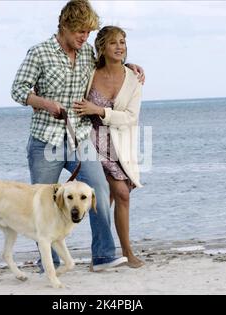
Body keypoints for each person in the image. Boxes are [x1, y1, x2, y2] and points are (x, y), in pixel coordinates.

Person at [11, 0, 144, 272]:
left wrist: (130, 65)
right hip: (45, 141)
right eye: (79, 31)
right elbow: (17, 90)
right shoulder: (39, 53)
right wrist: (46, 103)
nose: (84, 37)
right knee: (45, 204)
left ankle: (104, 256)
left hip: (78, 139)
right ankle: (49, 262)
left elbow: (107, 65)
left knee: (98, 188)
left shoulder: (85, 54)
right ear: (64, 26)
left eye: (87, 32)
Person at [73, 26, 144, 268]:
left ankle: (114, 253)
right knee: (114, 195)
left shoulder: (133, 79)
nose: (119, 47)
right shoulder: (89, 72)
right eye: (113, 42)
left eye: (123, 42)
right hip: (88, 141)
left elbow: (131, 117)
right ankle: (109, 253)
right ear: (102, 47)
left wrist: (100, 111)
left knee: (114, 197)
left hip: (117, 146)